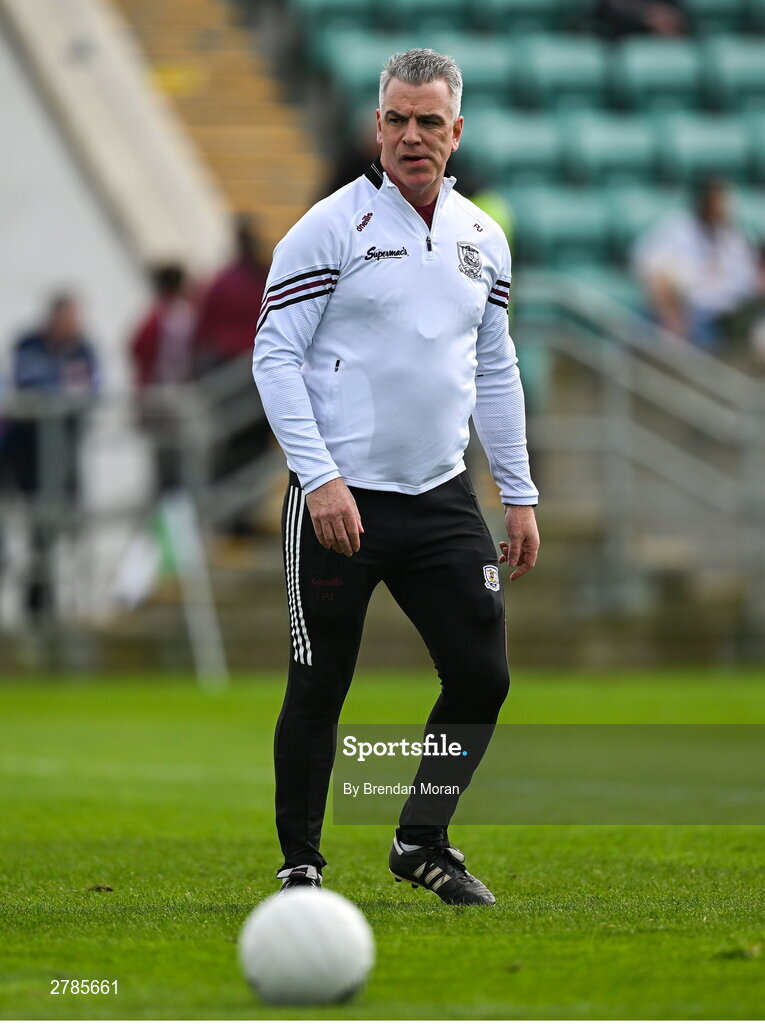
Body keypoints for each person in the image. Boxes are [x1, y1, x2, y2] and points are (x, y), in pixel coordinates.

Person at [252, 49, 539, 906]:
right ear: (376, 127)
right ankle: (300, 867)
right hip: (339, 498)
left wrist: (516, 493)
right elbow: (274, 353)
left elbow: (495, 367)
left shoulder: (482, 238)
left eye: (429, 122)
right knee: (320, 683)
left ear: (456, 132)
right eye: (396, 120)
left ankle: (421, 838)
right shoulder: (327, 229)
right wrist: (320, 477)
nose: (411, 136)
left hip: (440, 493)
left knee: (482, 675)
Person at [5, 294, 99, 622]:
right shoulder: (29, 344)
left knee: (55, 530)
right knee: (28, 525)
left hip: (64, 453)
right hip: (25, 452)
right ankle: (36, 604)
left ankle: (50, 606)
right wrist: (59, 393)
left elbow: (93, 390)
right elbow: (25, 384)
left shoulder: (82, 348)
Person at [631, 179, 759, 349]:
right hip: (688, 314)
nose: (722, 209)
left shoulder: (735, 238)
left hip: (729, 317)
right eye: (717, 203)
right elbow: (649, 266)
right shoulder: (677, 229)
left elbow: (749, 280)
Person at [130, 263, 196, 493]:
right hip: (176, 391)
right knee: (173, 457)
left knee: (167, 458)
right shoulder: (184, 312)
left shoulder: (159, 314)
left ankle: (171, 499)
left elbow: (137, 348)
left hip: (163, 390)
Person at [588, 0, 690, 37]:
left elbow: (679, 20)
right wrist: (647, 17)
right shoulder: (605, 7)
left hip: (661, 49)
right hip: (619, 48)